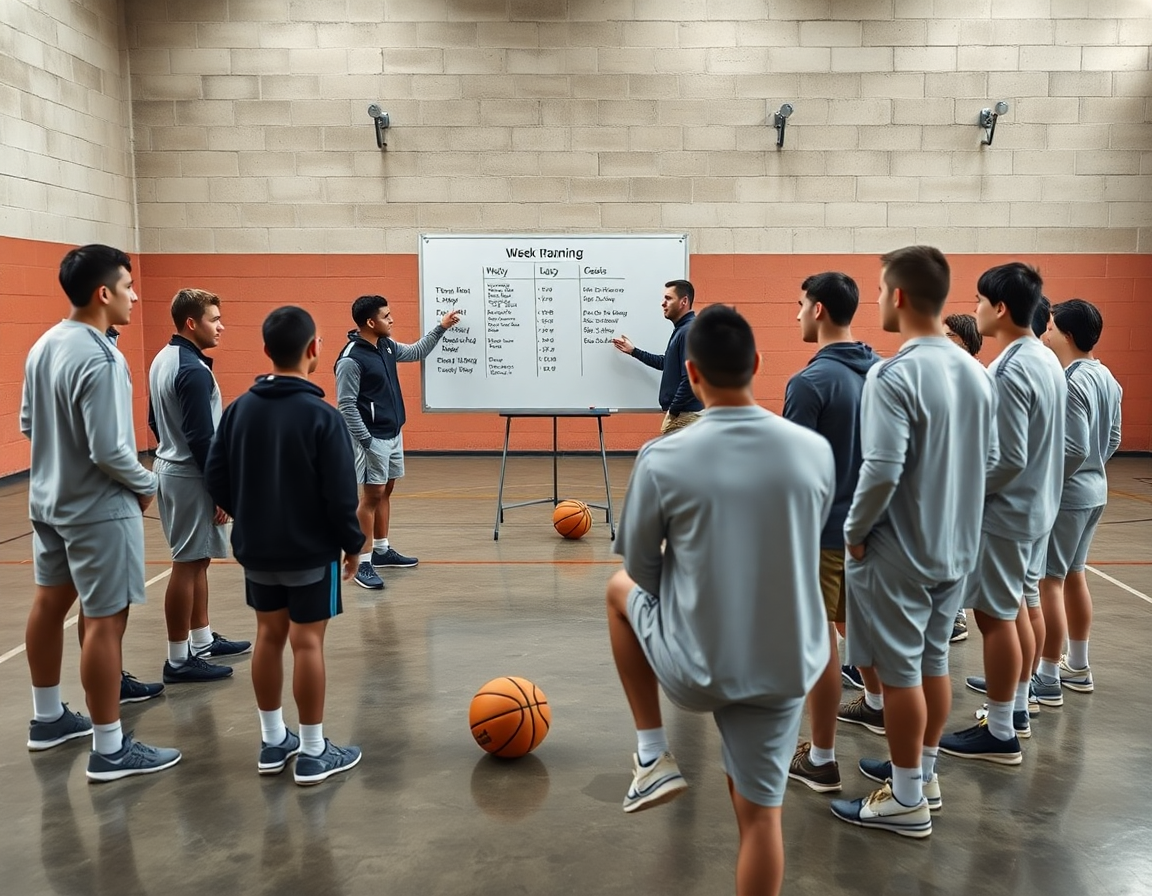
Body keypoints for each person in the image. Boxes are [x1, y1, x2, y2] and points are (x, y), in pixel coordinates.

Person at [606, 305, 834, 896]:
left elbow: (641, 569)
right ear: (756, 365)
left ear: (693, 374)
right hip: (785, 664)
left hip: (697, 665)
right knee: (761, 818)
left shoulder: (663, 457)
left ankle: (653, 754)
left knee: (616, 591)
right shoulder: (813, 451)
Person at [829, 246, 995, 838]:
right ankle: (922, 776)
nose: (876, 300)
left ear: (897, 296)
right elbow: (992, 459)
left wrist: (854, 532)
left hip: (899, 548)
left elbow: (881, 469)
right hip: (956, 544)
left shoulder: (893, 373)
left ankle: (904, 802)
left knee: (899, 676)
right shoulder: (976, 372)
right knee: (932, 664)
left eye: (879, 290)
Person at [21, 244, 181, 781]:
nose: (136, 297)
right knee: (105, 621)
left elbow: (28, 423)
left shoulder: (45, 345)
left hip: (48, 500)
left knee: (49, 604)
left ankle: (48, 719)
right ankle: (109, 747)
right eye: (129, 286)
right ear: (103, 293)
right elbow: (111, 451)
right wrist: (147, 483)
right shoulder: (100, 355)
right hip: (96, 509)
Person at [205, 306, 365, 785]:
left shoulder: (238, 409)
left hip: (257, 549)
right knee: (308, 641)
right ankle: (315, 751)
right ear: (314, 349)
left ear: (266, 350)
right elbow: (341, 494)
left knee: (268, 638)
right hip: (310, 553)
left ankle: (273, 742)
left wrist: (246, 511)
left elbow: (216, 475)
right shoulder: (323, 416)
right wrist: (353, 543)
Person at [938, 264, 1066, 763]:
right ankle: (1012, 710)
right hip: (1036, 508)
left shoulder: (1013, 367)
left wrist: (958, 493)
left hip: (1007, 513)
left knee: (994, 618)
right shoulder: (1043, 357)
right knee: (1012, 609)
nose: (974, 310)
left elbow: (1007, 457)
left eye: (977, 301)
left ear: (1000, 308)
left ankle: (998, 731)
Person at [782, 272, 880, 795]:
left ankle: (820, 757)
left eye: (800, 305)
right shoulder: (885, 372)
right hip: (874, 532)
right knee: (858, 625)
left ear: (818, 310)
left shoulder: (809, 383)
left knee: (821, 640)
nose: (795, 314)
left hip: (822, 533)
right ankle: (880, 706)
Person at [148, 288, 250, 686]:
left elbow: (154, 420)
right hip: (189, 475)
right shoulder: (192, 370)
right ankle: (178, 660)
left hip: (173, 467)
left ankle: (202, 640)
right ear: (192, 323)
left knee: (198, 560)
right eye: (214, 319)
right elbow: (200, 438)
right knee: (186, 564)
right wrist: (218, 489)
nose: (221, 326)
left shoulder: (163, 359)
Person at [334, 295, 461, 590]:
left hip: (392, 432)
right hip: (372, 438)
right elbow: (346, 405)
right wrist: (365, 440)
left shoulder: (386, 346)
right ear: (370, 322)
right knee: (370, 497)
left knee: (386, 489)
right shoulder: (351, 359)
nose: (392, 320)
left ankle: (381, 550)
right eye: (387, 316)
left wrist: (441, 327)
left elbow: (417, 351)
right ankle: (362, 563)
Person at [1036, 299, 1122, 698]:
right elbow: (1113, 439)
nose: (1045, 332)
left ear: (1066, 335)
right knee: (1074, 575)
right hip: (1095, 492)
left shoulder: (1072, 382)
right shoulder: (1107, 377)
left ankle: (1049, 676)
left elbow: (1072, 447)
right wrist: (1092, 469)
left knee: (1048, 582)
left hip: (1069, 496)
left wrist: (1049, 482)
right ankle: (1079, 665)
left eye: (1050, 326)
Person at [611, 280, 704, 435]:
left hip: (684, 416)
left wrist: (673, 411)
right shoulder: (682, 330)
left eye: (668, 298)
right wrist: (634, 351)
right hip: (684, 415)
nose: (663, 303)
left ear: (684, 301)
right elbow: (665, 363)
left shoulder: (688, 331)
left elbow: (690, 378)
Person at [942, 311, 984, 645]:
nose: (942, 342)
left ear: (967, 342)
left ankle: (955, 615)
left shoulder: (978, 379)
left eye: (950, 337)